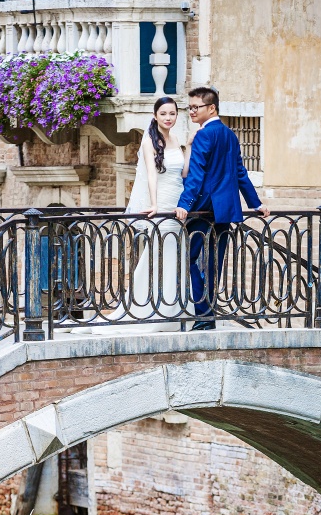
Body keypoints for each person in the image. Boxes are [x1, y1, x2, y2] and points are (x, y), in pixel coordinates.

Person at [175, 86, 271, 330]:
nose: (191, 111)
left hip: (202, 208)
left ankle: (204, 316)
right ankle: (207, 316)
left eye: (196, 107)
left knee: (187, 258)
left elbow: (196, 175)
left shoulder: (203, 135)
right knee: (213, 263)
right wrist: (256, 203)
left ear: (211, 108)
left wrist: (184, 204)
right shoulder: (230, 134)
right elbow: (240, 173)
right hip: (225, 210)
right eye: (189, 107)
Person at [103, 97, 192, 331]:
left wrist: (189, 147)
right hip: (162, 201)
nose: (168, 118)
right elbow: (151, 175)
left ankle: (176, 308)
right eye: (163, 114)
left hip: (178, 202)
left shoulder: (176, 139)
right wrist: (154, 204)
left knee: (177, 253)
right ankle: (153, 308)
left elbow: (183, 173)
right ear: (155, 116)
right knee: (161, 253)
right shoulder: (149, 142)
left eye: (172, 113)